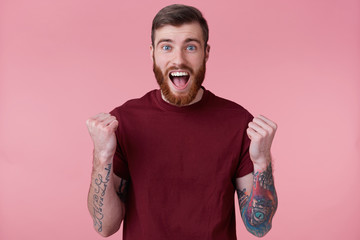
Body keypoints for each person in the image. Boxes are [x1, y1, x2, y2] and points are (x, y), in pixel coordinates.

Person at [86, 4, 278, 239]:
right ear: (152, 53)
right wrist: (102, 157)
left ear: (206, 53)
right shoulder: (124, 122)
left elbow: (259, 227)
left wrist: (261, 162)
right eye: (166, 47)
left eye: (190, 47)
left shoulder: (239, 123)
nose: (179, 59)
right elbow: (105, 227)